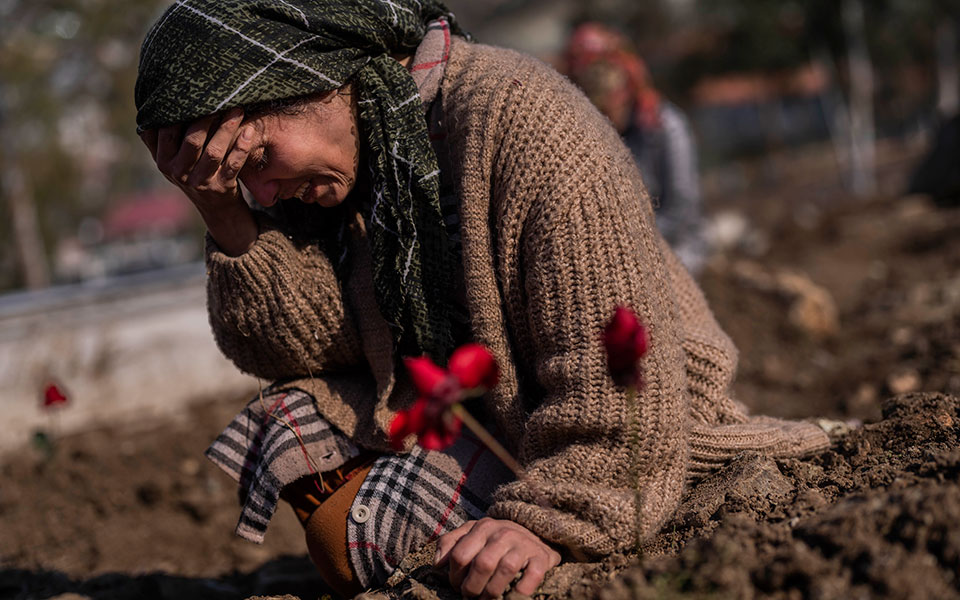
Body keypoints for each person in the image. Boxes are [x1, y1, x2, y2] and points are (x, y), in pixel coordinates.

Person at [135, 2, 829, 598]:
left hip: (639, 440)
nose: (262, 192)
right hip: (500, 422)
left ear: (317, 82)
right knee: (290, 422)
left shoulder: (523, 120)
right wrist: (222, 212)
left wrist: (551, 523)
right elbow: (299, 350)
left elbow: (623, 375)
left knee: (389, 545)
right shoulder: (368, 163)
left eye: (256, 161)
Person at [565, 23, 708, 275]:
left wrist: (626, 246)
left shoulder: (665, 127)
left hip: (676, 255)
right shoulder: (590, 138)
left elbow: (681, 209)